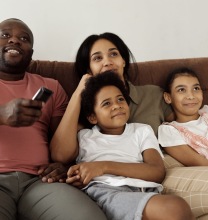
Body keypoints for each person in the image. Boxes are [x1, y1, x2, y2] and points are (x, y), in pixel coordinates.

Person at [0, 18, 106, 220]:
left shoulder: (51, 87)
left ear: (31, 53)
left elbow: (64, 142)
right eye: (5, 35)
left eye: (24, 38)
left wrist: (63, 165)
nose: (14, 40)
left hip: (40, 181)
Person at [66, 71, 195, 220]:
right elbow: (61, 156)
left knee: (176, 208)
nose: (117, 106)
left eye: (120, 99)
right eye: (106, 103)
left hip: (145, 190)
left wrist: (103, 166)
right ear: (92, 117)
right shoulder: (84, 136)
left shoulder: (141, 130)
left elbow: (157, 172)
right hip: (107, 192)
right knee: (175, 208)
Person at [50, 32, 173, 164]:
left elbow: (186, 125)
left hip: (159, 167)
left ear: (124, 61)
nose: (108, 62)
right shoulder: (86, 109)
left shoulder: (153, 94)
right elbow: (60, 156)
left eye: (114, 54)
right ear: (89, 70)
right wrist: (78, 92)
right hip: (104, 179)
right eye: (97, 58)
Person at [158, 67, 208, 166]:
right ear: (168, 97)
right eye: (181, 90)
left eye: (196, 88)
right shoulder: (169, 131)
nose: (191, 96)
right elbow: (205, 166)